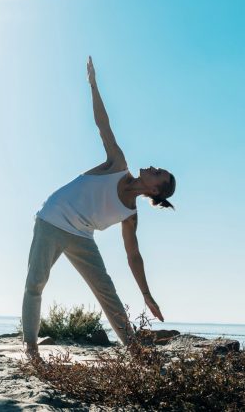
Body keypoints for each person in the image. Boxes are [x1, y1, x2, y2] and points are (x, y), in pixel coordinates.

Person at [22, 56, 175, 357]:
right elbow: (103, 124)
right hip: (52, 219)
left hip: (81, 236)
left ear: (155, 189)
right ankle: (30, 346)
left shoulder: (130, 215)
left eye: (158, 173)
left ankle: (133, 351)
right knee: (35, 283)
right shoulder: (118, 164)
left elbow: (134, 256)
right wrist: (93, 85)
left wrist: (147, 295)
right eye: (157, 168)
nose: (153, 167)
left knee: (106, 291)